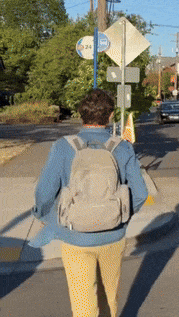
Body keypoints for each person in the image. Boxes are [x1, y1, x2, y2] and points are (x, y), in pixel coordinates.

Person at [32, 89, 148, 317]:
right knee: (109, 300)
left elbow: (44, 193)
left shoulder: (63, 147)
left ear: (80, 114)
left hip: (75, 237)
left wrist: (42, 214)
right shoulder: (123, 147)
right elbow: (141, 193)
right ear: (111, 115)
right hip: (112, 236)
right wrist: (120, 216)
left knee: (83, 304)